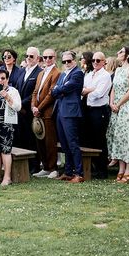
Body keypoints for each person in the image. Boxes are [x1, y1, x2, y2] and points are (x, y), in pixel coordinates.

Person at [107, 46, 129, 183]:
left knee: (127, 137)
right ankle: (121, 169)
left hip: (127, 107)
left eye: (121, 51)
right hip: (116, 107)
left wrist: (119, 104)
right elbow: (113, 88)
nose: (117, 53)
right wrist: (112, 103)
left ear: (127, 55)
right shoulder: (118, 70)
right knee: (118, 137)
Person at [52, 51, 85, 183]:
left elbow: (64, 89)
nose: (66, 63)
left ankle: (79, 173)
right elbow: (56, 89)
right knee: (64, 144)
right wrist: (59, 89)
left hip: (70, 112)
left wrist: (59, 89)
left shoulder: (77, 73)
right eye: (64, 61)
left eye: (69, 61)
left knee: (72, 143)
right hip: (60, 111)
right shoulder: (63, 74)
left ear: (74, 61)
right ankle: (68, 171)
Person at [81, 51, 112, 179]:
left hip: (99, 110)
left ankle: (102, 170)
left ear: (104, 62)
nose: (95, 62)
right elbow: (81, 90)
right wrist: (90, 90)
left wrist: (88, 90)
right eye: (93, 60)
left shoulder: (105, 76)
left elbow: (98, 94)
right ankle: (92, 168)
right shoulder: (88, 75)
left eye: (98, 60)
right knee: (89, 139)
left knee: (100, 140)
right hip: (88, 109)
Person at [31, 49, 61, 178]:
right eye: (45, 57)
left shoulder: (57, 73)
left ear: (55, 58)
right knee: (40, 140)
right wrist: (33, 106)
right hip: (37, 112)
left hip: (48, 112)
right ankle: (46, 166)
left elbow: (51, 94)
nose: (47, 60)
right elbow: (35, 91)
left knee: (50, 141)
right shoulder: (41, 73)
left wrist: (39, 108)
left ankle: (53, 168)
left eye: (50, 57)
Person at [14, 47, 43, 174]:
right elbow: (16, 88)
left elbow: (35, 93)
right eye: (27, 56)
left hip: (30, 110)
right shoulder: (22, 71)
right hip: (19, 110)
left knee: (32, 140)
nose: (28, 58)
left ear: (37, 58)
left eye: (31, 56)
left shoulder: (39, 72)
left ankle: (34, 166)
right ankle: (23, 165)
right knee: (21, 138)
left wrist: (21, 104)